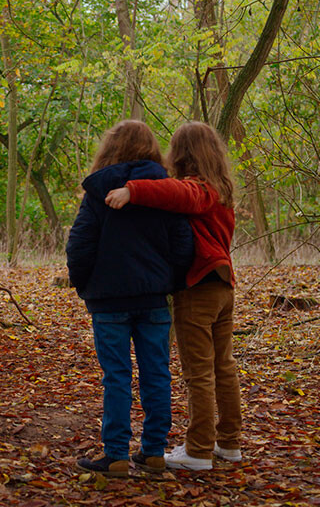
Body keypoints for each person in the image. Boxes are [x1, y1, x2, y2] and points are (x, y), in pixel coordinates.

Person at [104, 121, 242, 471]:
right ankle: (229, 443)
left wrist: (132, 190)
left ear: (182, 153)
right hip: (223, 286)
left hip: (200, 289)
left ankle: (198, 450)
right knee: (222, 368)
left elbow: (179, 194)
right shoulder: (221, 189)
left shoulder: (200, 189)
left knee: (200, 372)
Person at [67, 120, 194, 477]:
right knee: (156, 373)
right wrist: (169, 282)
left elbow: (79, 247)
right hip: (153, 299)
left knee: (117, 376)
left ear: (110, 149)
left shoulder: (98, 194)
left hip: (109, 302)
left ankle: (117, 454)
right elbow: (183, 245)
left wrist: (86, 286)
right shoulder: (165, 192)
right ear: (152, 151)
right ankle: (154, 452)